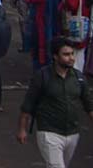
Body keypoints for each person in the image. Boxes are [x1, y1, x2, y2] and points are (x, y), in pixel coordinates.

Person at [17, 37, 93, 168]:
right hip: (49, 132)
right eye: (66, 54)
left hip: (72, 133)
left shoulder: (79, 78)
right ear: (55, 56)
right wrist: (22, 129)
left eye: (72, 54)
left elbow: (89, 105)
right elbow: (28, 104)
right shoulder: (42, 76)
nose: (71, 58)